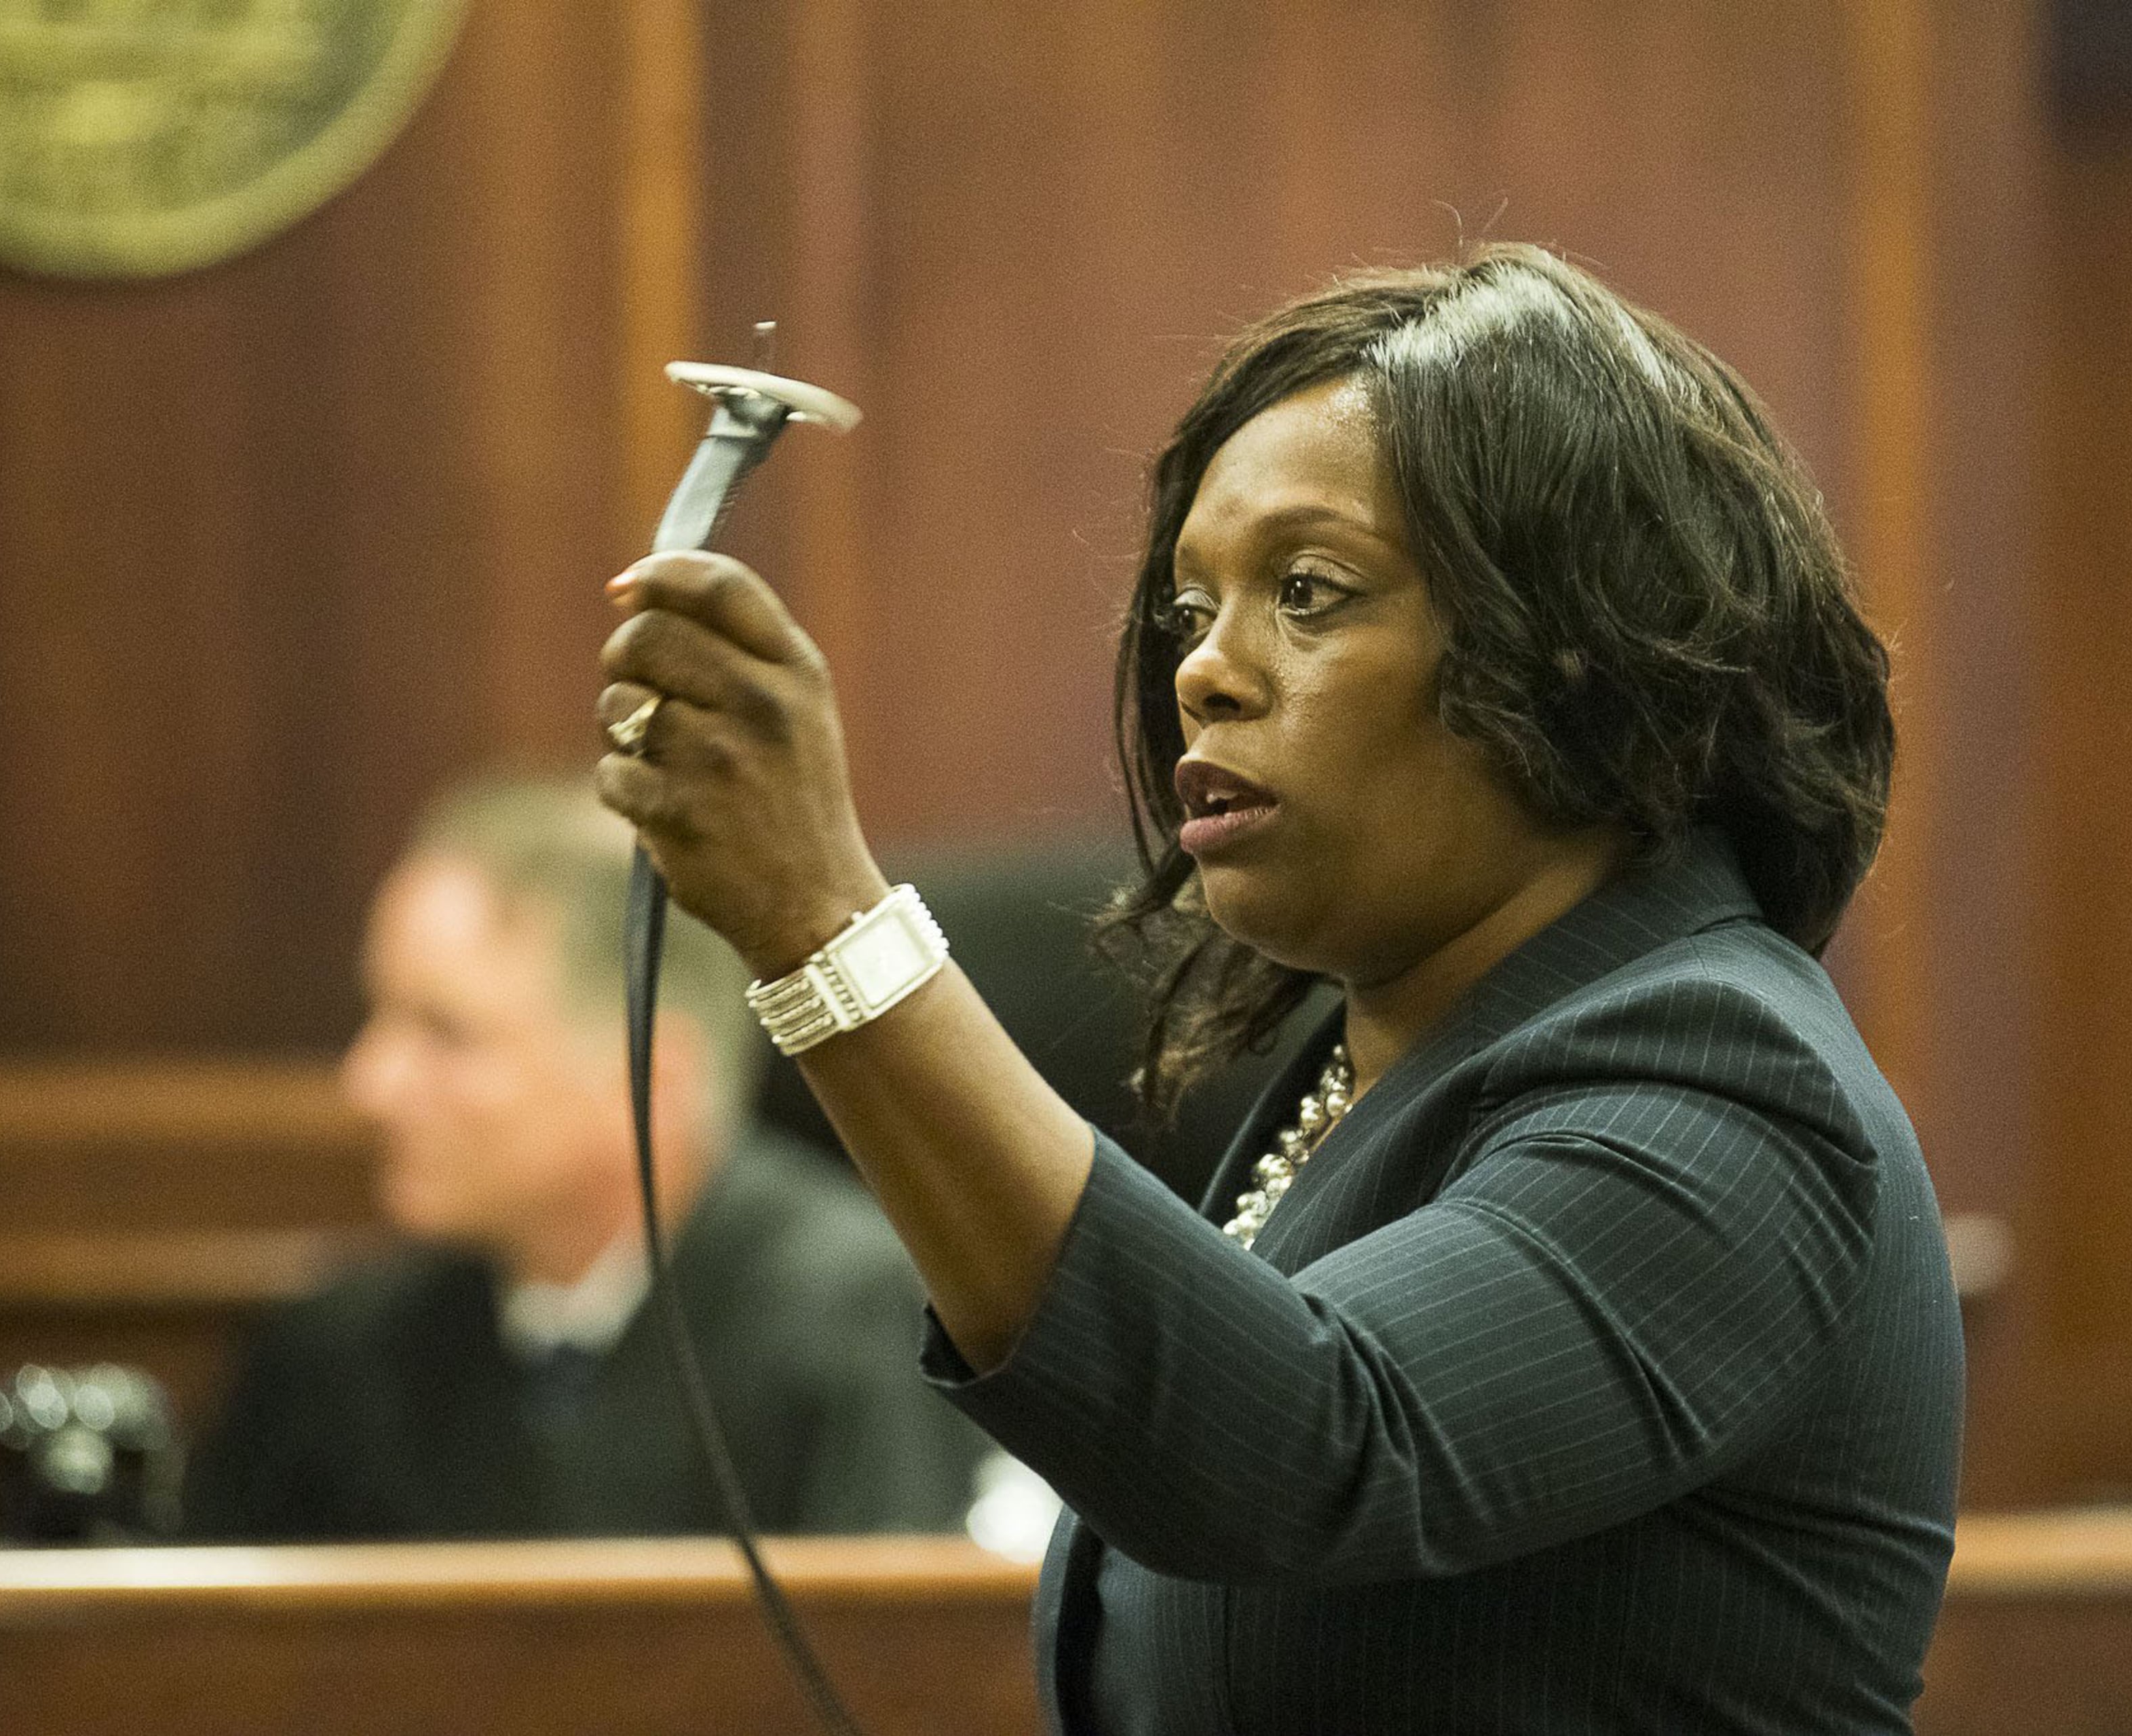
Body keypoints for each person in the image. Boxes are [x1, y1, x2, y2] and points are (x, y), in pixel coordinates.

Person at [594, 244, 1962, 1733]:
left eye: (1308, 592)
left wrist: (832, 928)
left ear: (1580, 644)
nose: (1205, 670)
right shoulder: (1368, 1068)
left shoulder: (1736, 1082)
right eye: (1191, 608)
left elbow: (1308, 1443)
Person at [183, 776, 989, 1541]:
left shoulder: (859, 1328)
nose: (370, 1084)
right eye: (380, 1017)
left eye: (446, 1035)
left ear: (650, 1080)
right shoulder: (342, 1349)